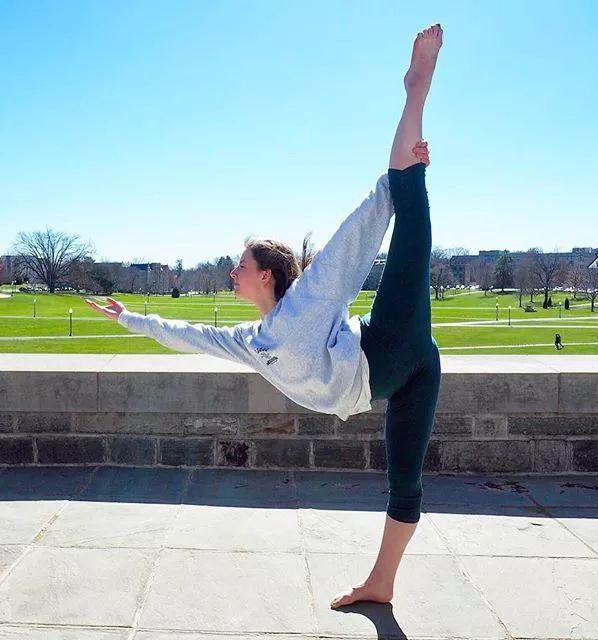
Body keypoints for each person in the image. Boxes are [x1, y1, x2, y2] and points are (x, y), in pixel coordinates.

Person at [86, 23, 443, 609]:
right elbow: (191, 336)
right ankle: (382, 583)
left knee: (413, 225)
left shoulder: (306, 303)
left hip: (389, 351)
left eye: (239, 267)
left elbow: (345, 249)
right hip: (398, 381)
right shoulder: (252, 341)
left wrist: (394, 184)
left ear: (266, 276)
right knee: (405, 484)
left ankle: (415, 91)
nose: (231, 275)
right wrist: (131, 319)